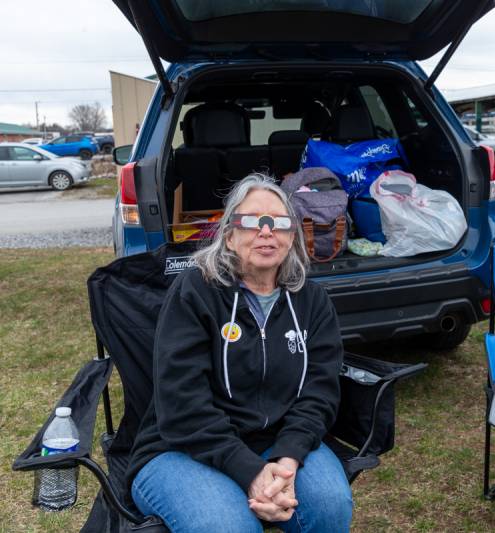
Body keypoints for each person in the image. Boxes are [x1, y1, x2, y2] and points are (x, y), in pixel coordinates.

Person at [126, 175, 352, 532]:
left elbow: (320, 391)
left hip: (278, 440)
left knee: (329, 506)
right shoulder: (196, 292)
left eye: (278, 222)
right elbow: (182, 404)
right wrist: (251, 472)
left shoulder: (312, 300)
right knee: (229, 526)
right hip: (181, 448)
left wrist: (288, 457)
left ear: (292, 236)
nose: (266, 231)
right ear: (229, 235)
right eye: (251, 221)